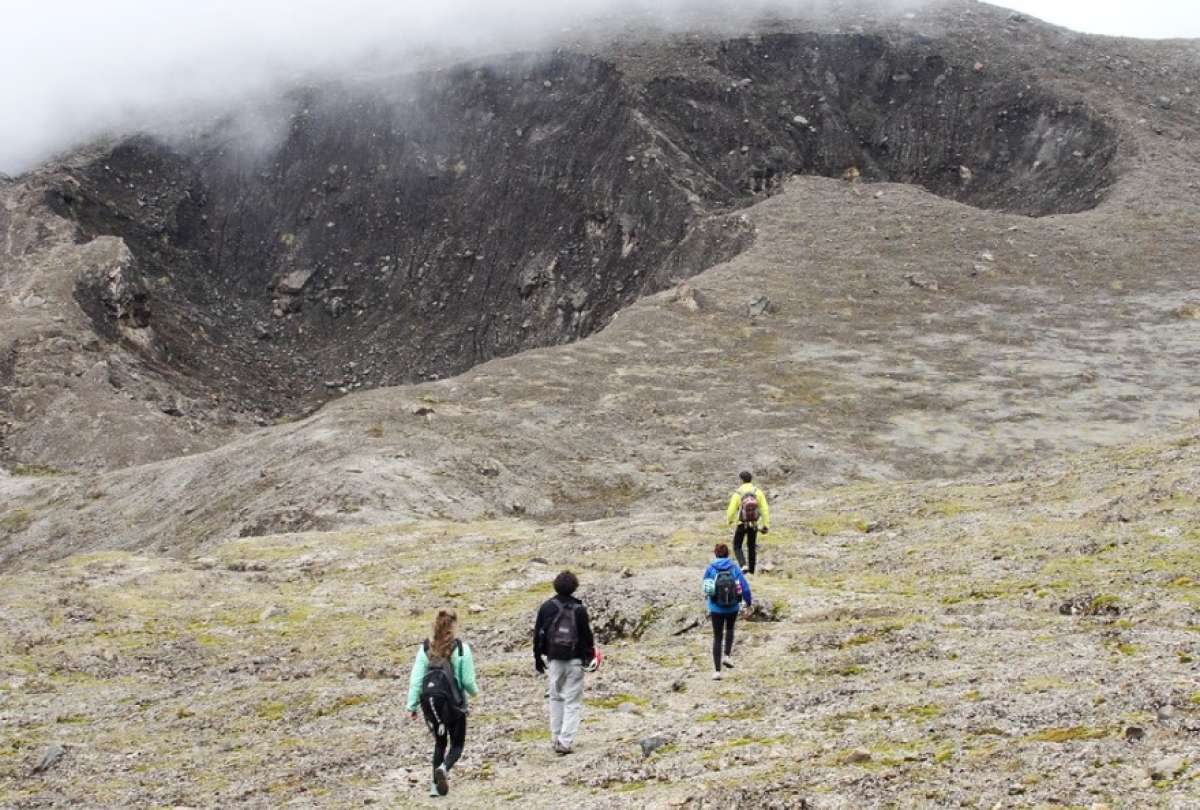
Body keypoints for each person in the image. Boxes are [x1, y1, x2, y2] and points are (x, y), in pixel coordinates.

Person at [406, 608, 479, 797]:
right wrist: (474, 694)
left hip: (430, 704)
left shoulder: (425, 648)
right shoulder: (461, 649)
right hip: (454, 704)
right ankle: (444, 768)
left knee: (439, 743)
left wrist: (411, 705)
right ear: (453, 627)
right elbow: (468, 681)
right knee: (456, 745)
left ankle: (434, 788)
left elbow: (416, 680)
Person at [533, 570, 598, 755]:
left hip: (554, 659)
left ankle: (555, 738)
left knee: (555, 698)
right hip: (575, 660)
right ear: (575, 587)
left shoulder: (546, 607)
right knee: (573, 701)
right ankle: (565, 740)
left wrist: (537, 657)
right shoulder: (580, 609)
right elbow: (587, 636)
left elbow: (538, 634)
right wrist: (590, 656)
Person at [702, 543, 752, 679]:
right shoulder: (734, 567)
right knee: (730, 629)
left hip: (716, 608)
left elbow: (706, 588)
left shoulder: (711, 568)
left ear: (715, 554)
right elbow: (745, 587)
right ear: (727, 554)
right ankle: (727, 656)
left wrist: (710, 601)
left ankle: (717, 671)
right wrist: (748, 602)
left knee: (717, 637)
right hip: (733, 606)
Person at [724, 470, 770, 575]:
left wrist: (730, 520)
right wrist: (765, 524)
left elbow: (731, 509)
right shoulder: (758, 492)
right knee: (751, 546)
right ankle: (752, 571)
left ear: (741, 480)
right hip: (754, 524)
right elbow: (764, 509)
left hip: (741, 523)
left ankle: (743, 565)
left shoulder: (738, 493)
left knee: (737, 545)